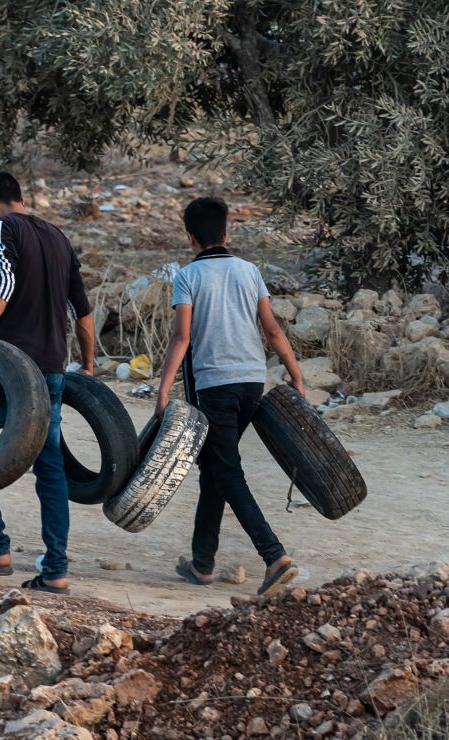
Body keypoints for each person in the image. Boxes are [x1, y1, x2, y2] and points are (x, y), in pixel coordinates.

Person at [0, 171, 95, 594]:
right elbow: (81, 310)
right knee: (49, 465)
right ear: (23, 197)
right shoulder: (58, 237)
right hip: (50, 368)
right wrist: (86, 364)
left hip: (10, 369)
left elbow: (5, 285)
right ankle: (56, 569)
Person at [156, 196, 305, 597]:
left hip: (215, 386)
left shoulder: (188, 277)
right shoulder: (249, 270)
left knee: (227, 471)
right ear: (226, 232)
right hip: (251, 383)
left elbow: (182, 337)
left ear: (191, 238)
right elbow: (272, 330)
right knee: (215, 468)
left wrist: (164, 390)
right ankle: (202, 563)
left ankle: (275, 556)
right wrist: (296, 374)